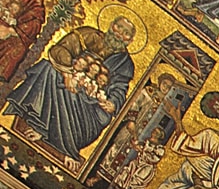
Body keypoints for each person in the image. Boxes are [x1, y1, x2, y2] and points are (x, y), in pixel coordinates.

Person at [7, 16, 136, 164]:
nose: (120, 33)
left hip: (91, 102)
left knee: (90, 106)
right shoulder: (88, 34)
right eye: (118, 27)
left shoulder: (125, 63)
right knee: (48, 69)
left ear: (130, 40)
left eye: (126, 33)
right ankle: (40, 126)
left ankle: (52, 136)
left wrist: (113, 103)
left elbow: (120, 88)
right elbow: (61, 49)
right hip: (70, 80)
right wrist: (67, 73)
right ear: (111, 24)